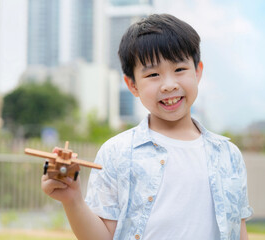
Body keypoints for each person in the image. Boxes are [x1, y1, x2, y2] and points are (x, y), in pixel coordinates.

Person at [41, 13, 253, 240]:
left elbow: (238, 232)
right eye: (153, 74)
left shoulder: (228, 155)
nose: (169, 85)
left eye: (180, 69)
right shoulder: (116, 153)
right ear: (132, 85)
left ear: (198, 71)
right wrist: (73, 200)